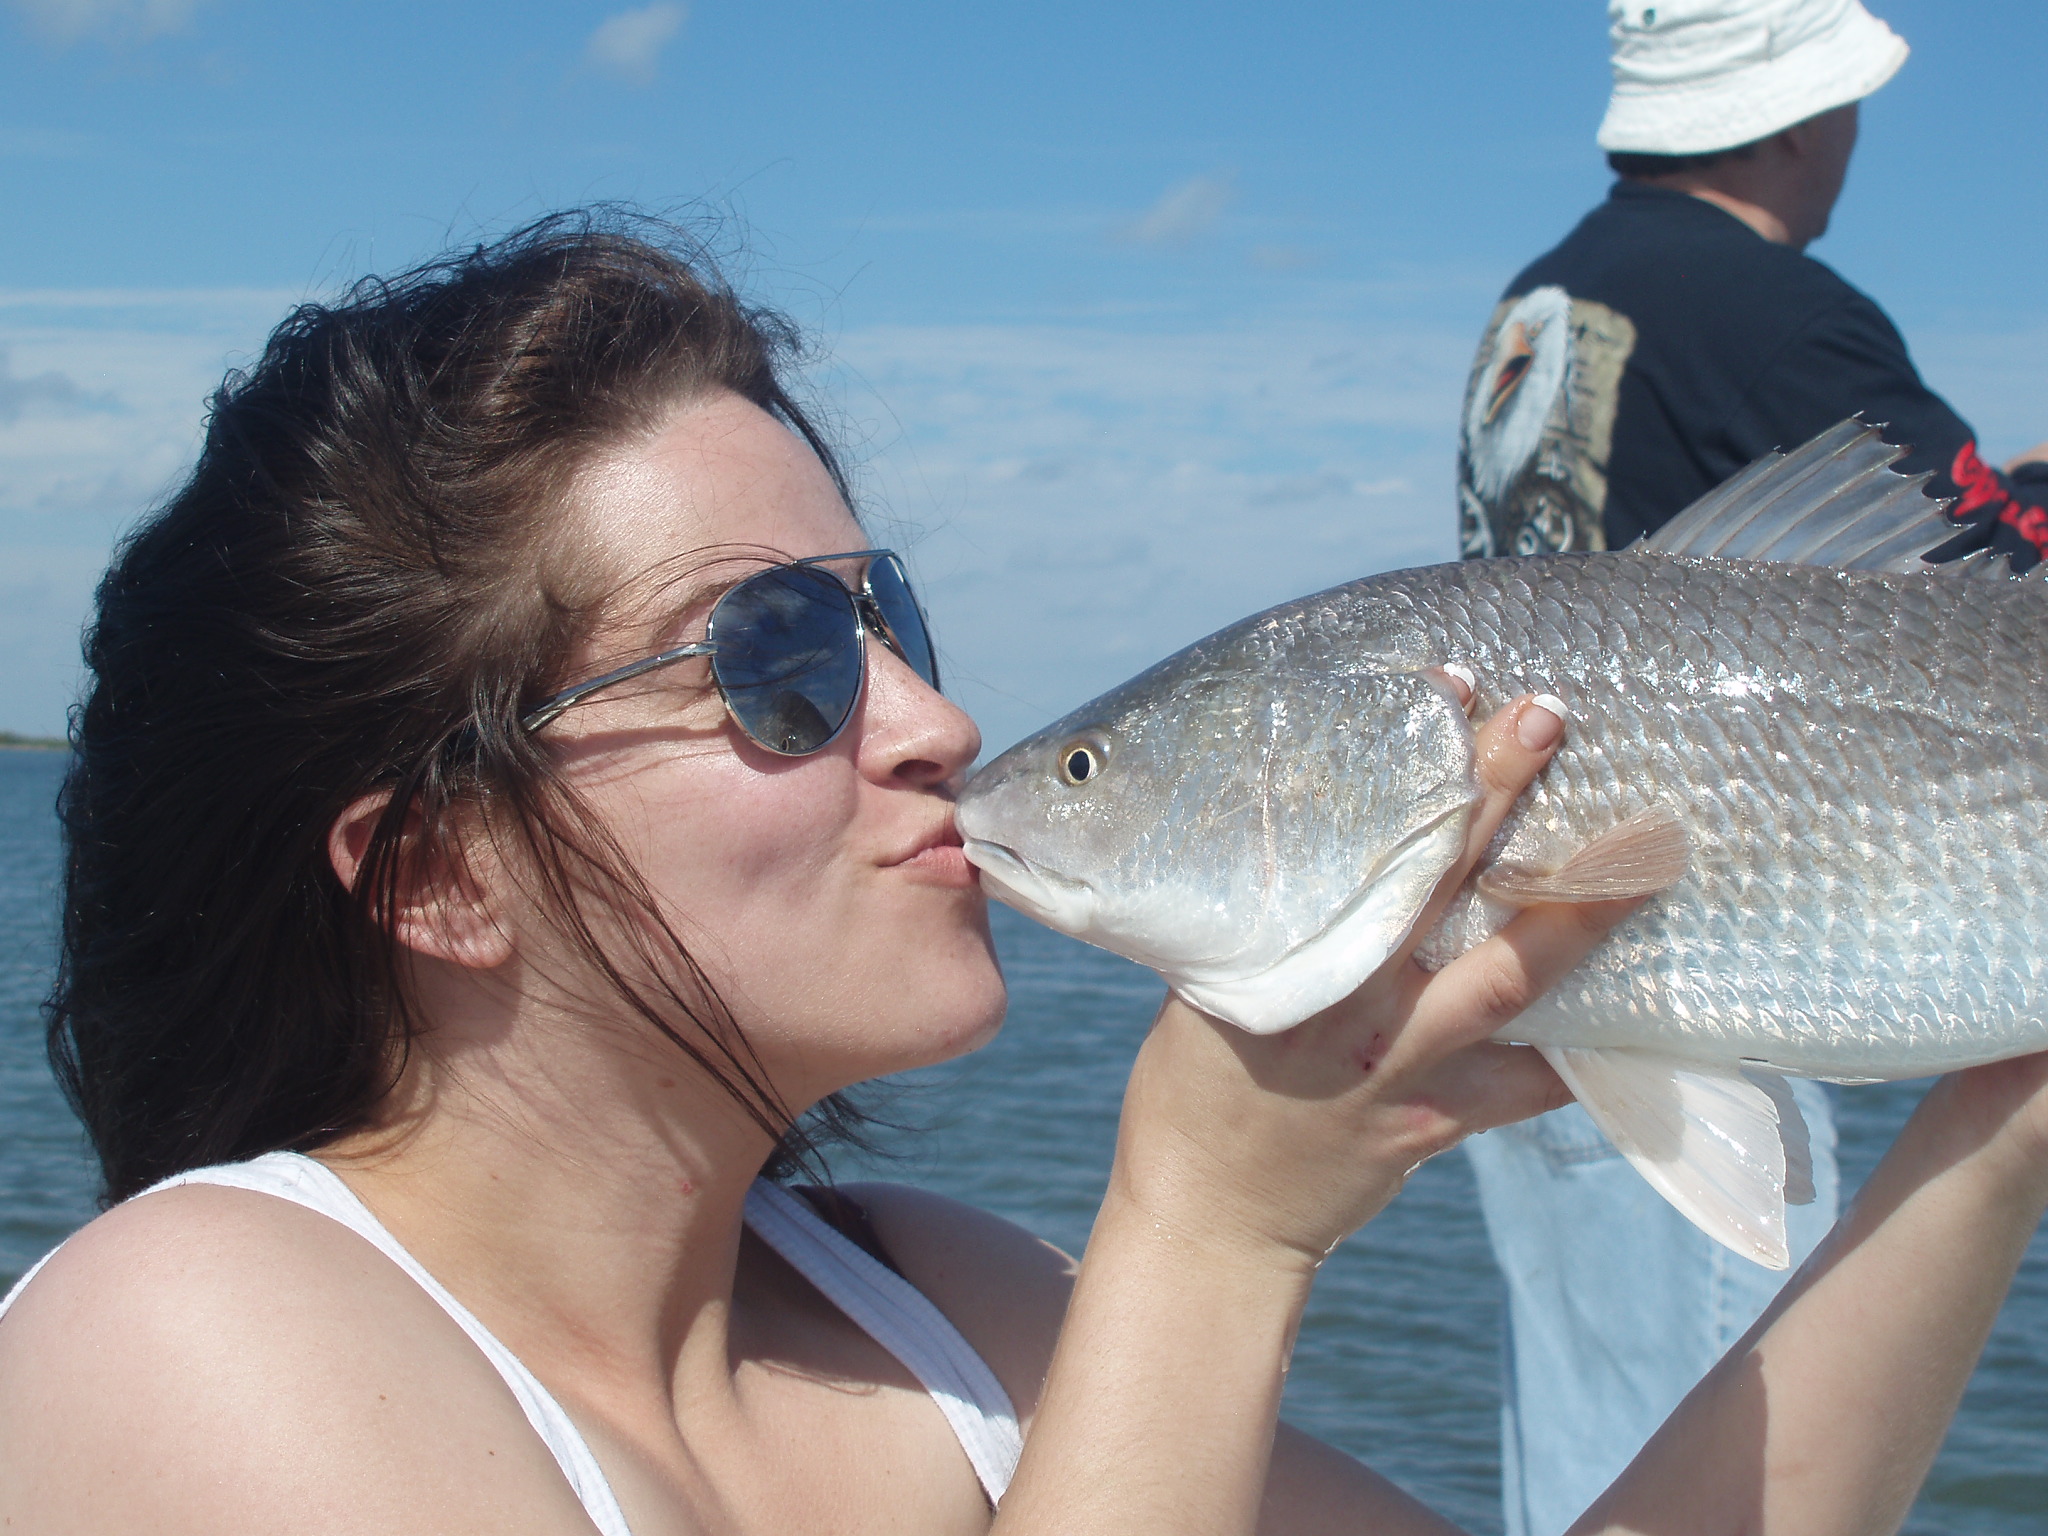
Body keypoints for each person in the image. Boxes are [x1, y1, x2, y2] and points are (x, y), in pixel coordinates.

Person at [0, 213, 2044, 1536]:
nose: (934, 718)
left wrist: (1998, 1122)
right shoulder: (191, 1339)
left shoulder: (939, 1304)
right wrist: (1209, 1235)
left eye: (881, 615)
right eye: (778, 662)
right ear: (440, 874)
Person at [1454, 4, 2048, 1533]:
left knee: (1587, 1450)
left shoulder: (1545, 303)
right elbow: (1999, 574)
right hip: (1695, 943)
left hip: (1523, 950)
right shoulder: (1778, 315)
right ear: (1794, 114)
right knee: (1720, 1451)